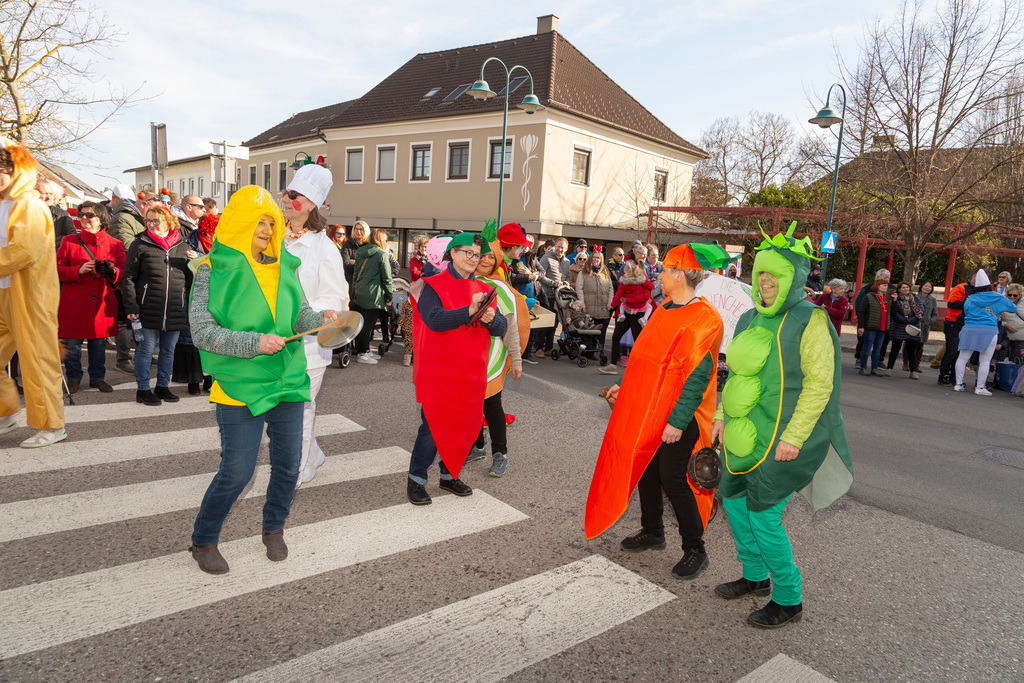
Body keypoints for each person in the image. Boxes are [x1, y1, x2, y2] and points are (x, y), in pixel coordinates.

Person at [187, 186, 340, 574]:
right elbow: (202, 332)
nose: (268, 229)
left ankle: (274, 528)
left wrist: (320, 320)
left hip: (287, 378)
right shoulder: (210, 269)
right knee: (237, 472)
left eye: (272, 223)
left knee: (289, 465)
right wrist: (254, 342)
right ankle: (203, 540)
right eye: (260, 222)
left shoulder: (283, 265)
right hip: (239, 382)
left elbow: (299, 316)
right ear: (239, 223)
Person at [711, 224, 853, 629]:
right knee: (734, 503)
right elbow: (735, 374)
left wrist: (794, 437)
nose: (765, 284)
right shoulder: (749, 317)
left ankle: (789, 598)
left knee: (764, 515)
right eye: (761, 276)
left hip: (786, 437)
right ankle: (755, 576)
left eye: (775, 277)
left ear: (793, 279)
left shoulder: (811, 319)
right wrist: (720, 417)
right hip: (743, 433)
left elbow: (820, 385)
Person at [586, 244, 725, 579]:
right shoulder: (664, 309)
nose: (659, 275)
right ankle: (653, 531)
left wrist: (676, 422)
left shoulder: (705, 318)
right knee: (647, 469)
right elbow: (644, 356)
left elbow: (697, 378)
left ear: (680, 274)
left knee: (672, 478)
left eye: (664, 270)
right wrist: (622, 383)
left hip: (681, 415)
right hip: (650, 407)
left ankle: (695, 549)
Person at [406, 232, 506, 505]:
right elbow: (434, 320)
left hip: (470, 372)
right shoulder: (431, 284)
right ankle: (416, 479)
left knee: (464, 426)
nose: (473, 259)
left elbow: (501, 328)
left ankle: (449, 475)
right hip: (438, 371)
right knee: (432, 428)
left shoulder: (484, 289)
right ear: (452, 253)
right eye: (468, 253)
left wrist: (491, 319)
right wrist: (469, 312)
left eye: (477, 255)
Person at [282, 164, 347, 487]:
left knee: (301, 408)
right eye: (285, 192)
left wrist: (303, 316)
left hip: (308, 343)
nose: (285, 199)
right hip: (276, 340)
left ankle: (297, 469)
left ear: (310, 204)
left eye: (293, 195)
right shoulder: (273, 238)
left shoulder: (324, 247)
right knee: (281, 408)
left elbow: (333, 297)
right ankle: (312, 454)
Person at [0, 136, 66, 448]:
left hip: (31, 297)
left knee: (39, 360)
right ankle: (5, 411)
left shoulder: (30, 205)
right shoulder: (4, 204)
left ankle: (52, 426)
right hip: (4, 293)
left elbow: (23, 250)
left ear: (16, 170)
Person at [121, 204, 196, 406]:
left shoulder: (184, 246)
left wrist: (194, 264)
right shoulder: (140, 244)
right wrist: (131, 306)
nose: (151, 224)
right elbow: (128, 278)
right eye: (148, 220)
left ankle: (162, 386)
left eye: (156, 220)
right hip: (147, 308)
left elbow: (191, 281)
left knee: (168, 350)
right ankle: (143, 389)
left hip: (176, 308)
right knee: (146, 350)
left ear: (168, 222)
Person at [467, 246, 526, 477]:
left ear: (497, 261)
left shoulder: (501, 289)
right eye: (481, 255)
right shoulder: (464, 282)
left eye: (491, 257)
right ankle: (478, 446)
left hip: (494, 355)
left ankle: (500, 454)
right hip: (468, 355)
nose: (485, 260)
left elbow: (511, 327)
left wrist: (516, 359)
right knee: (471, 404)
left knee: (491, 406)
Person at [55, 201, 125, 393]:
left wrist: (112, 271)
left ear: (101, 219)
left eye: (89, 215)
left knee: (98, 344)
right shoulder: (69, 241)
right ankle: (74, 378)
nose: (83, 218)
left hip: (101, 304)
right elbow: (57, 270)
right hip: (75, 303)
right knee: (72, 345)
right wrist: (78, 270)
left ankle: (97, 378)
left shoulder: (115, 244)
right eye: (81, 215)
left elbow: (124, 273)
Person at [955, 270, 1015, 395]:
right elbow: (1012, 308)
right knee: (985, 360)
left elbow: (966, 311)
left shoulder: (970, 298)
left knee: (962, 358)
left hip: (969, 328)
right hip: (989, 329)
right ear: (989, 285)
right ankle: (980, 387)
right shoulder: (997, 297)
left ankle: (958, 384)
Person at [351, 228, 393, 364]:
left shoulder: (360, 252)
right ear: (381, 240)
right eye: (386, 240)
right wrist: (389, 296)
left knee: (363, 322)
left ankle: (367, 350)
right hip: (374, 294)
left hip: (360, 291)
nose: (386, 242)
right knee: (368, 325)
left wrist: (354, 290)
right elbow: (387, 279)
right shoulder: (381, 255)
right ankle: (362, 353)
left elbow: (355, 273)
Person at [576, 250, 615, 374]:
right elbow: (579, 288)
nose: (596, 260)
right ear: (591, 258)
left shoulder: (605, 272)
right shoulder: (584, 272)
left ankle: (598, 351)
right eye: (594, 257)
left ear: (601, 259)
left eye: (598, 258)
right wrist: (582, 303)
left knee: (601, 331)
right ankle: (588, 351)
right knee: (589, 330)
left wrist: (610, 303)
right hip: (589, 306)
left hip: (603, 307)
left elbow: (611, 289)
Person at [609, 260, 653, 367]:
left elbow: (645, 296)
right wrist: (613, 305)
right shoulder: (624, 284)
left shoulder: (642, 282)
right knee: (616, 336)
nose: (623, 273)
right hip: (629, 312)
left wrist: (625, 301)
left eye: (625, 271)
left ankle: (638, 365)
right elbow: (618, 295)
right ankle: (613, 365)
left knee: (637, 340)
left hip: (637, 313)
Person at [536, 237, 570, 357]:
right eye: (558, 246)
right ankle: (539, 348)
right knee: (544, 322)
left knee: (554, 323)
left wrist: (566, 282)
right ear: (555, 246)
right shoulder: (546, 258)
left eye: (562, 247)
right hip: (546, 295)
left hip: (559, 297)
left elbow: (568, 276)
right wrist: (553, 283)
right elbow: (540, 276)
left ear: (566, 249)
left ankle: (549, 348)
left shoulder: (567, 262)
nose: (560, 249)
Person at [938, 273, 974, 386]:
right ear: (973, 277)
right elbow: (951, 303)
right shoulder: (961, 287)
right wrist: (971, 302)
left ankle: (954, 377)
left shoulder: (980, 291)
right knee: (952, 350)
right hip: (953, 323)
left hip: (967, 325)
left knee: (960, 353)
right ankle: (943, 376)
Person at [885, 281, 924, 379]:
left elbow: (920, 311)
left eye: (907, 287)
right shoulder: (896, 299)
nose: (906, 289)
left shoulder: (915, 298)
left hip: (913, 326)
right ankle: (889, 368)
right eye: (903, 287)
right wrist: (904, 320)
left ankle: (913, 371)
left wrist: (911, 320)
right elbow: (894, 313)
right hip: (899, 326)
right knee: (895, 348)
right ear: (899, 289)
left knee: (911, 350)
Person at [854, 268, 890, 368]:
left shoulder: (889, 292)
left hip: (883, 325)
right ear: (877, 278)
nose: (887, 280)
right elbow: (859, 304)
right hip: (869, 323)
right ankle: (860, 361)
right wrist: (861, 321)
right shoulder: (867, 291)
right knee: (864, 343)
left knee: (880, 345)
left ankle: (877, 363)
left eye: (888, 278)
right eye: (885, 278)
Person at [36, 178, 76, 249]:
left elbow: (74, 241)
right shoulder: (23, 213)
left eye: (51, 194)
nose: (49, 197)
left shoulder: (64, 216)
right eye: (44, 193)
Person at [110, 185, 152, 249]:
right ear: (143, 205)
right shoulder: (122, 219)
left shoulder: (142, 219)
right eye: (154, 209)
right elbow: (127, 247)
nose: (157, 214)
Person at [915, 281, 939, 368]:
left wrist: (930, 321)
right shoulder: (915, 297)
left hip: (925, 325)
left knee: (920, 346)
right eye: (925, 286)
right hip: (915, 324)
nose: (927, 288)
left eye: (929, 287)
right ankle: (907, 363)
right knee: (911, 344)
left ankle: (917, 365)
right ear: (921, 287)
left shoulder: (932, 300)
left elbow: (935, 314)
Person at [998, 283, 1024, 363]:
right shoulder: (1002, 303)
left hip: (1021, 338)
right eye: (1010, 295)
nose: (1012, 297)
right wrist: (1005, 324)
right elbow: (996, 318)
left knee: (1018, 362)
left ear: (1020, 295)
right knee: (1001, 361)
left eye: (1015, 295)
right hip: (1005, 338)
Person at [341, 220, 367, 287]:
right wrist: (363, 264)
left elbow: (371, 266)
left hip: (366, 282)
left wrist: (355, 262)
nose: (358, 232)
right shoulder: (347, 245)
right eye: (356, 229)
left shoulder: (369, 245)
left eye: (361, 229)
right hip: (351, 282)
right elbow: (346, 265)